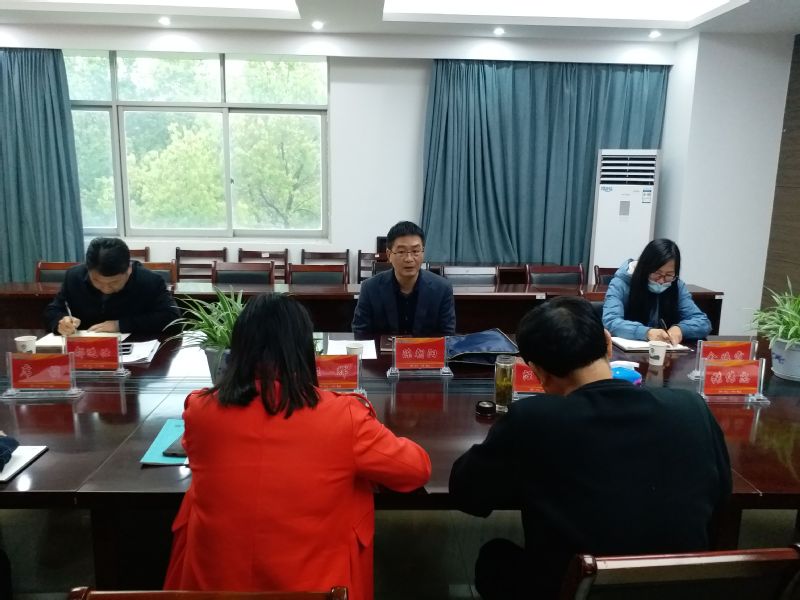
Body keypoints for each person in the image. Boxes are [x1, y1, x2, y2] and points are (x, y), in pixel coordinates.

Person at [450, 297, 731, 600]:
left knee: (493, 558)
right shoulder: (691, 408)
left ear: (538, 373)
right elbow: (722, 495)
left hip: (577, 588)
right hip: (679, 587)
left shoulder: (533, 419)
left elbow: (467, 494)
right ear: (608, 343)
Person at [164, 294, 431, 598]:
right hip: (318, 588)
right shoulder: (342, 416)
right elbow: (416, 469)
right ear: (303, 349)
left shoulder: (200, 411)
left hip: (212, 588)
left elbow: (193, 447)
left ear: (237, 348)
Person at [43, 237, 179, 335]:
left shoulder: (150, 281)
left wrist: (120, 325)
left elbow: (173, 318)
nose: (106, 289)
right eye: (96, 281)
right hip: (85, 351)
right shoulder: (74, 276)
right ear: (88, 269)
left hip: (132, 352)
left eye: (114, 283)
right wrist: (61, 322)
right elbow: (53, 310)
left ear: (128, 269)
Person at [352, 221, 455, 338]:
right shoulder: (370, 288)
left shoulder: (442, 289)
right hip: (384, 350)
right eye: (401, 252)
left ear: (423, 252)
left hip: (425, 350)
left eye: (415, 251)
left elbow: (447, 335)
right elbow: (360, 332)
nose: (409, 259)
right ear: (389, 255)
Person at [602, 238, 711, 344]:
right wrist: (646, 333)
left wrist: (681, 329)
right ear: (644, 268)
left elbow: (703, 322)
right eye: (657, 273)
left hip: (667, 351)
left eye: (669, 275)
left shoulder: (677, 285)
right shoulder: (621, 283)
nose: (661, 281)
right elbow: (610, 321)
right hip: (628, 352)